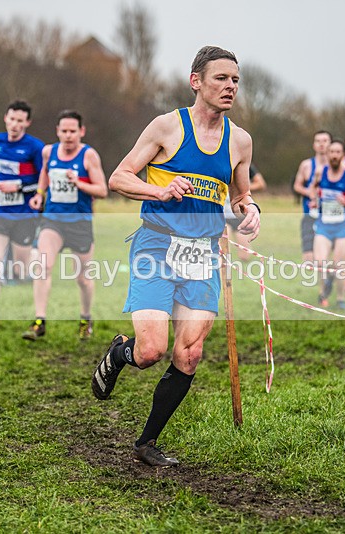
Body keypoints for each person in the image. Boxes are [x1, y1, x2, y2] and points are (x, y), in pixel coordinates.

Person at [91, 46, 260, 467]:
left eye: (235, 80)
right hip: (157, 246)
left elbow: (241, 194)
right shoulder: (167, 127)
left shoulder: (240, 141)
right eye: (221, 78)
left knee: (189, 354)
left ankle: (146, 443)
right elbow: (119, 177)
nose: (230, 87)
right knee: (150, 351)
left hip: (203, 253)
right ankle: (119, 354)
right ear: (196, 81)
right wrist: (158, 190)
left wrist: (251, 210)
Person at [25, 110, 108, 341]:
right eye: (64, 131)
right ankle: (39, 320)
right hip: (53, 221)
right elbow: (44, 173)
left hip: (80, 224)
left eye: (73, 131)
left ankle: (85, 317)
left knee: (82, 278)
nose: (68, 136)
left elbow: (102, 190)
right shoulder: (48, 152)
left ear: (81, 131)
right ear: (57, 131)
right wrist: (40, 194)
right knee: (42, 267)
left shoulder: (89, 156)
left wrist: (79, 183)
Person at [0, 100, 45, 337]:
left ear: (27, 123)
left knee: (20, 269)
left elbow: (42, 182)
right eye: (11, 119)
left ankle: (39, 260)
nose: (14, 124)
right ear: (5, 117)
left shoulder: (35, 148)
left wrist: (19, 186)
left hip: (24, 216)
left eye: (20, 121)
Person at [310, 140, 345, 309]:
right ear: (327, 154)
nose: (334, 155)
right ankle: (323, 292)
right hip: (324, 225)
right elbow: (312, 188)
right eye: (331, 152)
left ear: (343, 155)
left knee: (339, 264)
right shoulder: (320, 172)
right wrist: (313, 199)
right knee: (320, 262)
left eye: (337, 152)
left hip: (343, 226)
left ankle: (340, 298)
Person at [292, 130, 331, 265]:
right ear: (314, 145)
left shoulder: (338, 166)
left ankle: (329, 280)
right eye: (318, 141)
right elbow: (297, 186)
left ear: (330, 144)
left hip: (331, 218)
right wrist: (309, 192)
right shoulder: (307, 165)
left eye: (325, 141)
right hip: (310, 215)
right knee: (308, 260)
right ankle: (324, 284)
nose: (321, 144)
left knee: (327, 259)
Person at [225, 162, 266, 261]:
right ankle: (223, 273)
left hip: (240, 216)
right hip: (223, 216)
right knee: (223, 252)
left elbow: (261, 183)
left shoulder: (242, 163)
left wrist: (241, 188)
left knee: (244, 256)